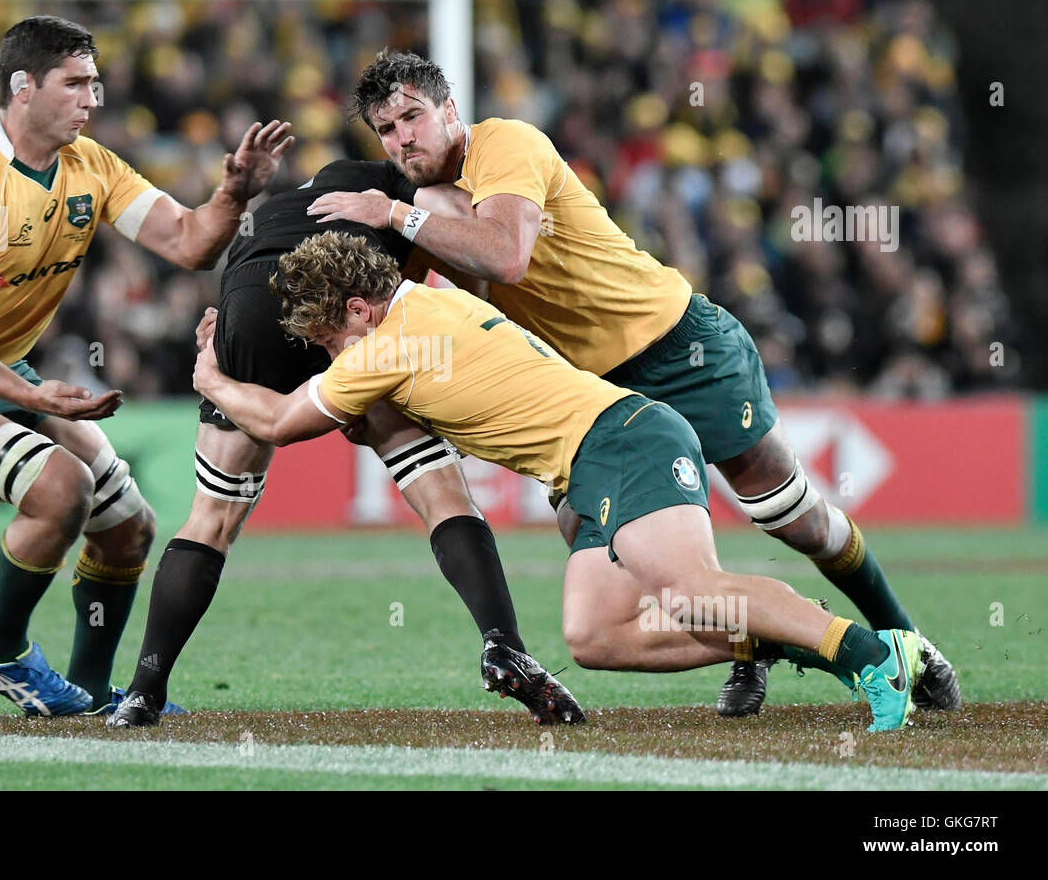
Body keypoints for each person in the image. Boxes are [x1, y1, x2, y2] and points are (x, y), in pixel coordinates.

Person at [306, 50, 960, 716]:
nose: (403, 139)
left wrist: (393, 215)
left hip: (679, 346)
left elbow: (505, 254)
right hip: (595, 397)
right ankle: (757, 640)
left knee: (793, 518)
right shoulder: (423, 215)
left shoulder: (504, 144)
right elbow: (395, 330)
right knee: (607, 567)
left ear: (449, 110)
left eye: (413, 117)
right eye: (386, 130)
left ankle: (907, 639)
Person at [191, 231, 924, 733]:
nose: (332, 357)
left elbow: (284, 422)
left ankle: (871, 657)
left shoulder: (384, 346)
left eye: (329, 340)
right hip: (594, 461)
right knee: (597, 635)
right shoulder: (435, 302)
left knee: (690, 589)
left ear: (358, 309)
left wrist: (210, 377)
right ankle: (779, 639)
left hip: (623, 442)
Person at [0, 15, 292, 716]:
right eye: (76, 83)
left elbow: (188, 243)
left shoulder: (91, 165)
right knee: (60, 488)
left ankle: (89, 689)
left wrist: (234, 193)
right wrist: (40, 399)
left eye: (95, 82)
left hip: (0, 374)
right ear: (23, 88)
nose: (93, 98)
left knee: (131, 528)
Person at [107, 158, 581, 728]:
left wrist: (211, 375)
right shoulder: (393, 185)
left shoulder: (281, 209)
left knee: (210, 519)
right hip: (358, 312)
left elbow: (246, 314)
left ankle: (143, 691)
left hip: (257, 302)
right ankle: (504, 644)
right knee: (443, 496)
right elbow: (466, 235)